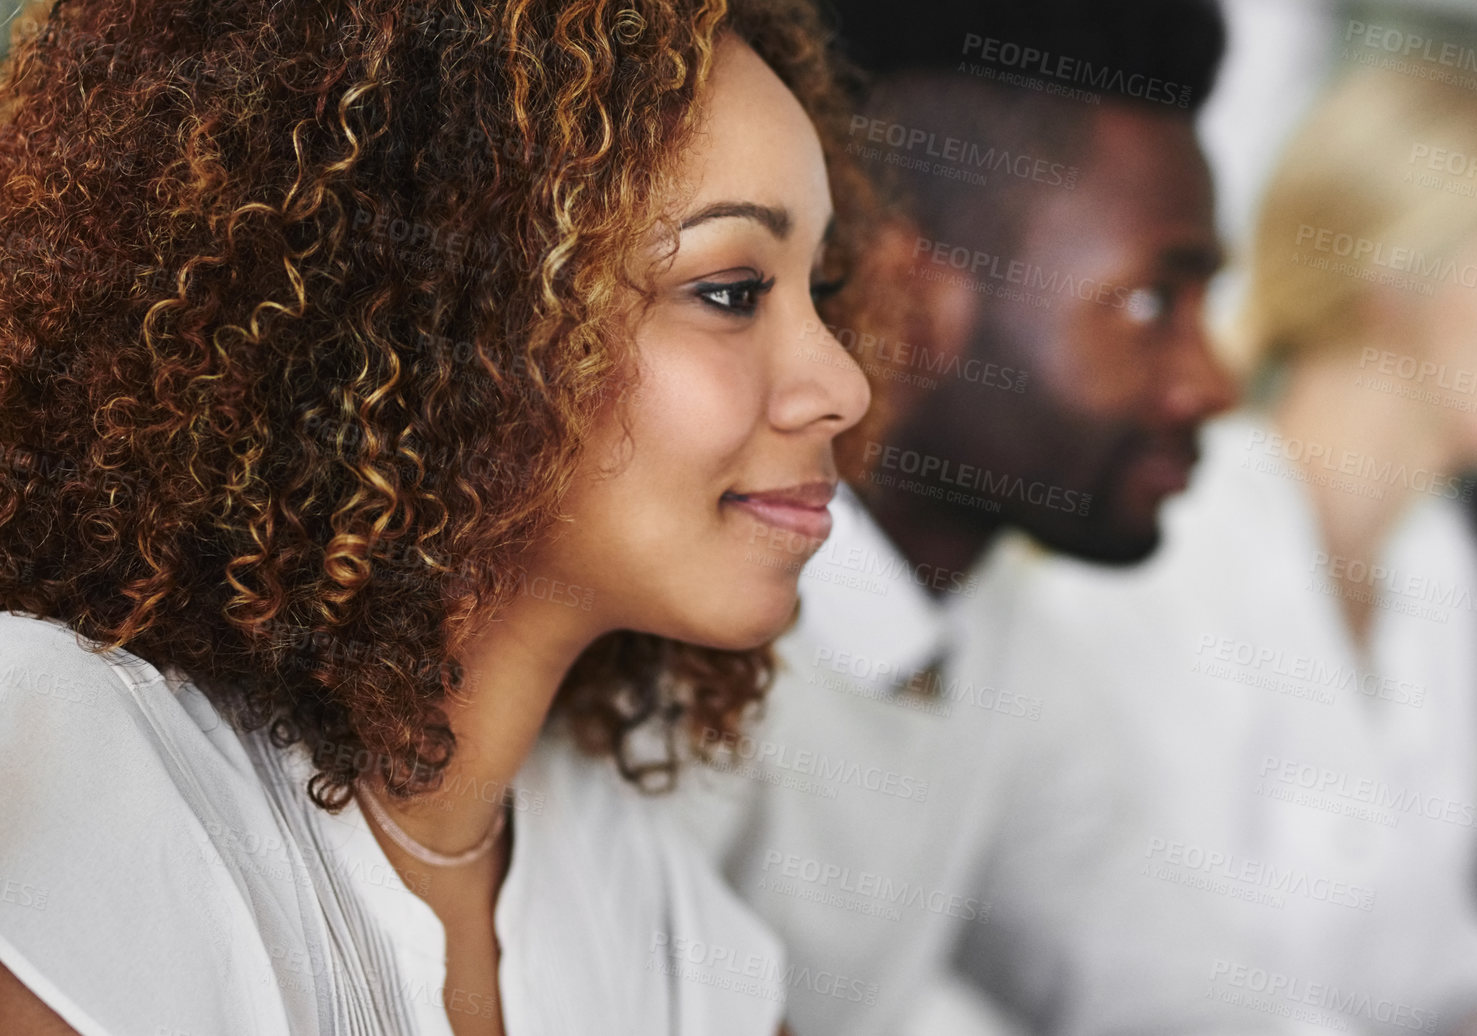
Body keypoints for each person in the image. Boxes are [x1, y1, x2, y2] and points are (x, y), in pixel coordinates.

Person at [0, 1, 875, 1033]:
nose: (843, 385)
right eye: (730, 290)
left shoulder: (667, 926)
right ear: (449, 313)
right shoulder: (60, 789)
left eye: (818, 289)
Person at [990, 66, 1477, 1034]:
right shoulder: (1167, 549)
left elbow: (1422, 938)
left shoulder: (1433, 557)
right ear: (1396, 282)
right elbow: (1143, 983)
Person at [664, 1, 1243, 1033]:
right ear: (906, 300)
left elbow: (1158, 973)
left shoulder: (993, 632)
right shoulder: (673, 642)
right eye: (1153, 302)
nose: (1211, 382)